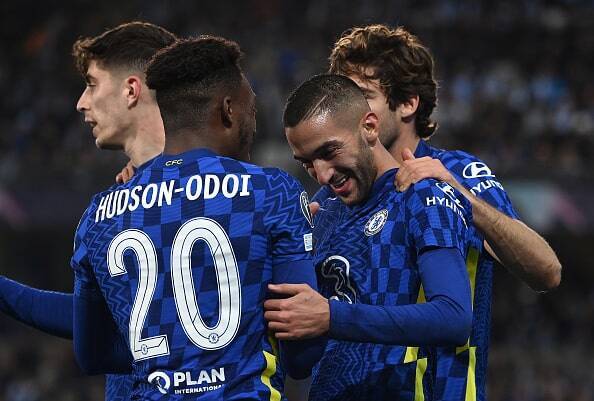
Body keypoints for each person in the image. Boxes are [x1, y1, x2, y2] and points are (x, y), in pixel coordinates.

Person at [70, 36, 325, 400]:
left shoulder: (99, 215)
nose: (253, 124)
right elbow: (302, 357)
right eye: (252, 111)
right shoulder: (271, 191)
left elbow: (92, 356)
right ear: (229, 110)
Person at [322, 24, 561, 401]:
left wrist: (460, 196)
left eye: (363, 96)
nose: (348, 113)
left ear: (408, 103)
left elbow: (546, 270)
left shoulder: (458, 173)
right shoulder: (334, 192)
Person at [265, 73, 474, 401]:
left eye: (329, 151)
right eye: (307, 163)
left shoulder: (420, 196)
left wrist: (332, 317)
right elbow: (300, 363)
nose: (322, 174)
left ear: (370, 127)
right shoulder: (322, 214)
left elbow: (454, 318)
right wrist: (291, 257)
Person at [0, 21, 177, 401]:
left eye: (92, 84)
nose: (81, 102)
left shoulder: (217, 195)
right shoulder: (117, 204)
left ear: (131, 89)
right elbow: (110, 320)